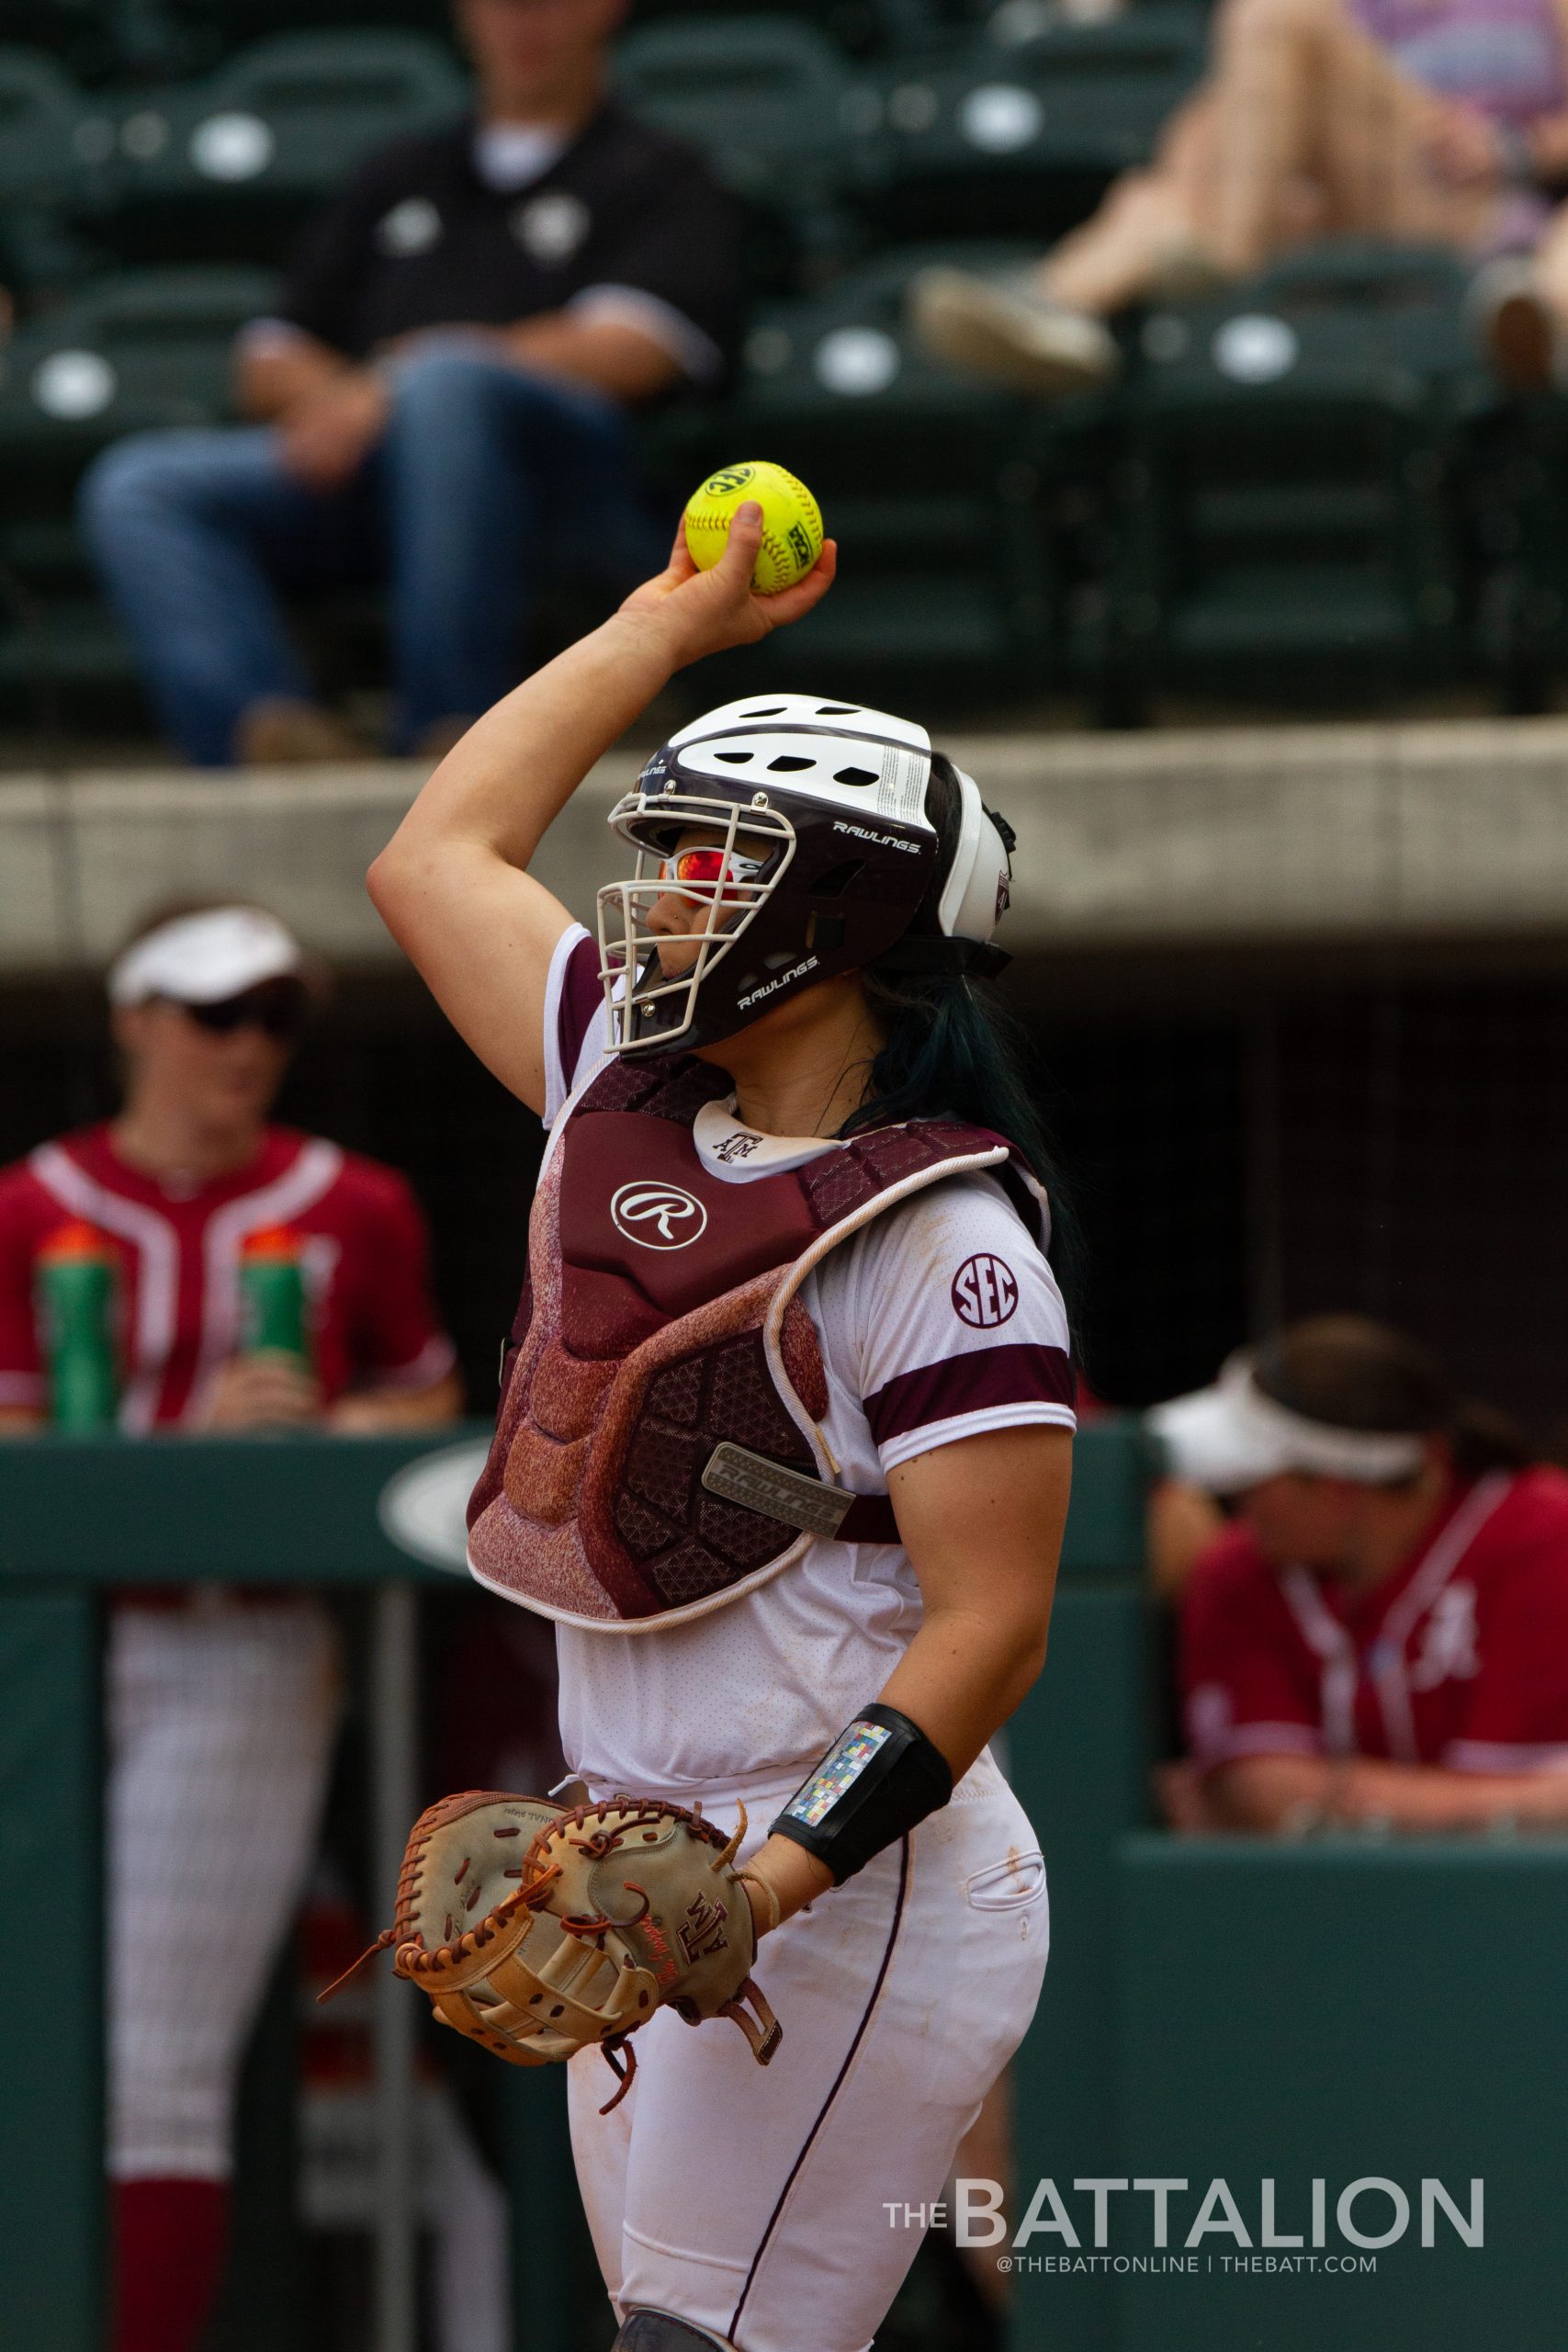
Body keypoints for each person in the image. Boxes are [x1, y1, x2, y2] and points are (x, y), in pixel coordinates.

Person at [364, 505, 1076, 2352]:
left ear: (836, 915)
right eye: (668, 843)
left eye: (713, 855)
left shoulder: (942, 1236)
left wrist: (762, 1885)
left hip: (842, 1884)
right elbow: (433, 849)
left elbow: (989, 1624)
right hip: (634, 1855)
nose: (663, 883)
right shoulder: (622, 1073)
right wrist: (661, 627)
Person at [0, 900, 460, 2352]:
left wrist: (320, 1428)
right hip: (40, 1647)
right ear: (135, 1018)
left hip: (244, 1647)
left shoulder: (351, 1200)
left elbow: (428, 1396)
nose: (246, 1047)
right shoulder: (30, 1202)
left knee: (158, 2064)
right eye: (214, 1014)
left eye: (274, 1019)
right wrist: (173, 1441)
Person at [79, 0, 741, 768]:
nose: (524, 21)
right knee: (141, 483)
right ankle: (267, 741)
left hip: (573, 493)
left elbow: (638, 347)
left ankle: (445, 735)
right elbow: (269, 357)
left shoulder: (657, 170)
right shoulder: (402, 169)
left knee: (450, 391)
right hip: (376, 478)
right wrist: (346, 400)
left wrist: (399, 382)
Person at [910, 0, 1568, 395]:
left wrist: (1516, 148)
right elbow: (1217, 120)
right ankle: (1063, 307)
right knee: (1186, 160)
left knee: (1272, 12)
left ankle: (1165, 268)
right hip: (1334, 207)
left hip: (1475, 201)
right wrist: (1191, 174)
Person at [1151, 1315, 1568, 1834]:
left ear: (1339, 1491)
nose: (1236, 1499)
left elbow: (1534, 1828)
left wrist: (1301, 1803)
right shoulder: (1232, 1569)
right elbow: (1262, 1794)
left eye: (1253, 1476)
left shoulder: (1544, 1533)